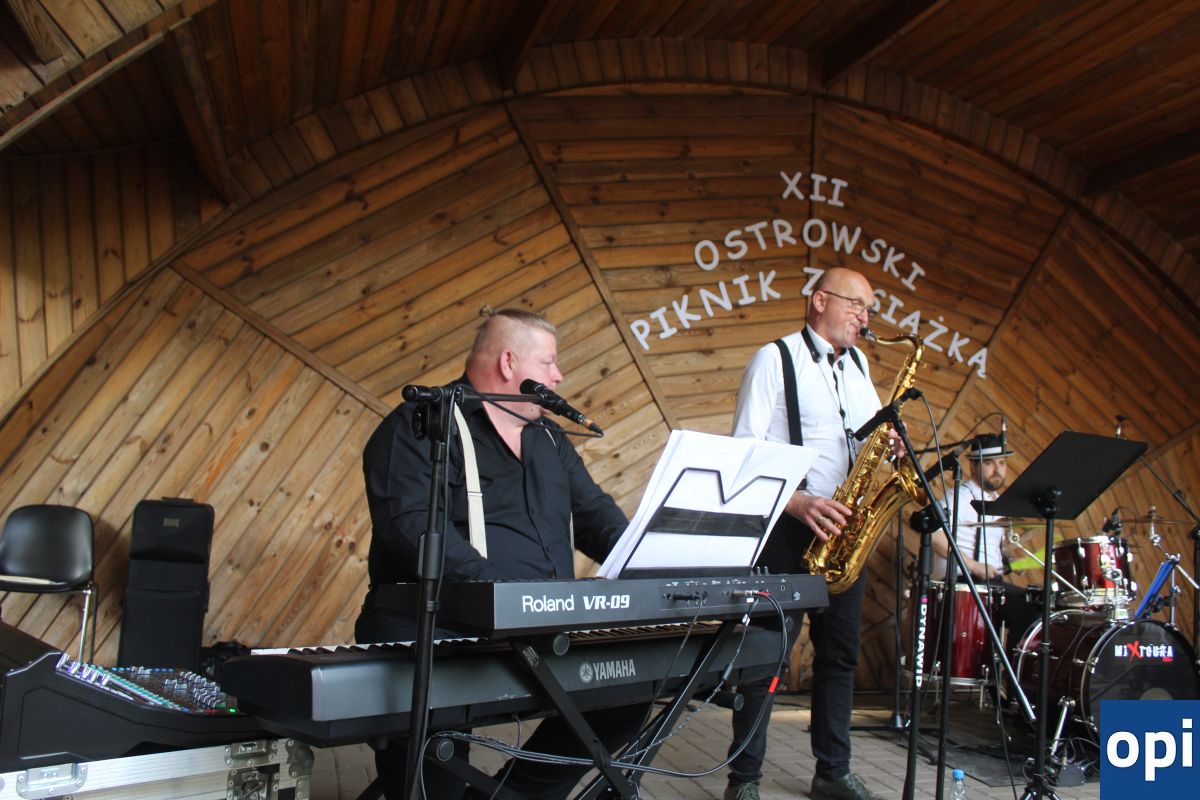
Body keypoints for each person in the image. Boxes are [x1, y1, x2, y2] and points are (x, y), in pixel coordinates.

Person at [357, 307, 640, 799]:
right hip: (437, 634)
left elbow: (596, 517)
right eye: (548, 362)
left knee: (624, 699)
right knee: (435, 768)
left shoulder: (550, 437)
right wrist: (504, 595)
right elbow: (410, 528)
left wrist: (654, 559)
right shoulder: (421, 424)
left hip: (539, 632)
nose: (559, 376)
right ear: (509, 363)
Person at [724, 267, 893, 800]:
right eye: (856, 304)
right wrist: (797, 501)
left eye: (869, 308)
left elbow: (866, 438)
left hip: (843, 532)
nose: (864, 317)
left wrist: (889, 444)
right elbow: (743, 452)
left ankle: (832, 772)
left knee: (839, 657)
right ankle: (743, 780)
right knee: (765, 656)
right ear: (820, 300)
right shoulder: (773, 359)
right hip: (788, 528)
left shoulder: (859, 364)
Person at [925, 433, 1038, 652]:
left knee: (1039, 604)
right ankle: (1011, 671)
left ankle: (1014, 667)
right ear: (973, 466)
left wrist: (1009, 560)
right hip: (963, 583)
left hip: (990, 584)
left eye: (1002, 463)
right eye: (989, 463)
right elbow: (934, 535)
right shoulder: (960, 496)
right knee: (1028, 613)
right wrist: (974, 565)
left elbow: (989, 546)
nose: (998, 470)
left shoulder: (995, 501)